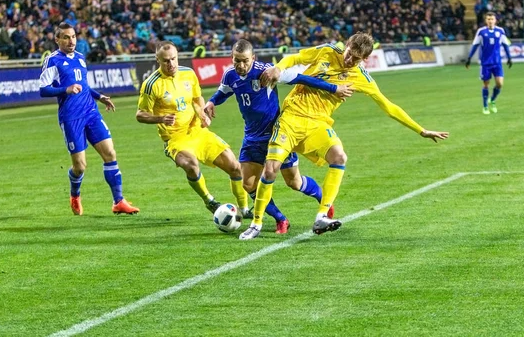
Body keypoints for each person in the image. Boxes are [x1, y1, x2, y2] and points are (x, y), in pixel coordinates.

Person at [239, 33, 449, 240]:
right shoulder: (327, 51)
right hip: (291, 119)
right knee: (271, 169)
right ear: (346, 45)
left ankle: (322, 216)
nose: (349, 60)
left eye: (356, 59)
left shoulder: (361, 77)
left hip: (318, 125)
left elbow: (388, 106)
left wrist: (420, 130)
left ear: (365, 60)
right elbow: (297, 58)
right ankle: (256, 224)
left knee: (339, 157)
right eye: (349, 53)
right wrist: (279, 67)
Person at [204, 39, 353, 234]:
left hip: (277, 134)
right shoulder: (230, 75)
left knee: (294, 182)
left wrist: (334, 89)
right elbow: (223, 92)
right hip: (252, 137)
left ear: (253, 58)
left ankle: (323, 199)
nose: (240, 65)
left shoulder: (267, 72)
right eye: (236, 61)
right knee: (248, 183)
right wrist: (211, 101)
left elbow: (301, 78)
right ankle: (280, 219)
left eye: (245, 61)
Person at [136, 41, 251, 218]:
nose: (171, 64)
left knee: (235, 166)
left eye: (173, 59)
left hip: (198, 132)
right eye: (166, 60)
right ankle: (209, 200)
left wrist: (202, 114)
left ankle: (244, 209)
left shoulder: (188, 74)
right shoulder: (151, 84)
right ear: (157, 59)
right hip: (175, 139)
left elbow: (197, 99)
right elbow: (140, 114)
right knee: (191, 165)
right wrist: (160, 118)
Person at [39, 22, 138, 216]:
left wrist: (99, 96)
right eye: (66, 37)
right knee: (80, 166)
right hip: (71, 118)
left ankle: (118, 201)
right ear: (57, 39)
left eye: (73, 36)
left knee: (110, 153)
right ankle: (75, 195)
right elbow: (43, 89)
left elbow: (83, 85)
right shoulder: (53, 60)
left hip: (91, 112)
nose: (71, 41)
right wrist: (65, 89)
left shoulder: (81, 58)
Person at [465, 12, 512, 114]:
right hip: (485, 63)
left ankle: (493, 99)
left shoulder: (500, 31)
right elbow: (475, 45)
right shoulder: (481, 32)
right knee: (486, 84)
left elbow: (505, 44)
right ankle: (485, 106)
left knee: (499, 84)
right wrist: (469, 58)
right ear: (486, 21)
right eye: (488, 19)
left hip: (497, 62)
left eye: (492, 19)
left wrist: (509, 57)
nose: (490, 21)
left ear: (495, 20)